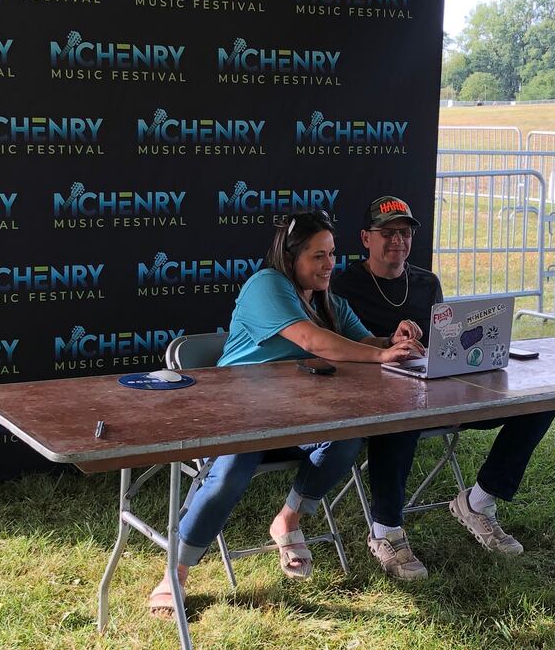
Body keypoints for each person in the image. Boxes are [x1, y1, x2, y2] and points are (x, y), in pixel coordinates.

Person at [149, 209, 424, 616]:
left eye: (332, 254)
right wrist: (381, 353)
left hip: (299, 418)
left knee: (348, 436)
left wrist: (394, 339)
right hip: (239, 413)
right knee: (229, 473)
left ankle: (288, 520)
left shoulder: (329, 298)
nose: (329, 264)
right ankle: (175, 574)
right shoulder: (266, 285)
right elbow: (315, 341)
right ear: (290, 256)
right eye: (318, 256)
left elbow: (362, 340)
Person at [332, 195, 555, 580]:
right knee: (401, 416)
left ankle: (479, 501)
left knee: (540, 402)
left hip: (436, 389)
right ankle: (386, 531)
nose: (397, 241)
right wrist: (389, 342)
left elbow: (445, 343)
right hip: (376, 397)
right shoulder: (342, 283)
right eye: (387, 233)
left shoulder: (426, 282)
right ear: (364, 238)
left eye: (404, 233)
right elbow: (337, 347)